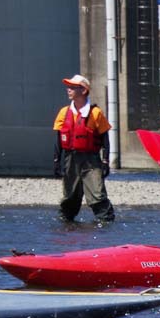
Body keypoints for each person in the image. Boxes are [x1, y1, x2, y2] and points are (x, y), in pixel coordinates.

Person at [53, 74, 115, 222]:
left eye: (72, 87)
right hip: (70, 158)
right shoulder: (63, 112)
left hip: (91, 160)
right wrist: (56, 161)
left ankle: (106, 224)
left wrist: (105, 161)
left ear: (83, 91)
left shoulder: (95, 113)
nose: (68, 90)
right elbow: (58, 140)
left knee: (97, 195)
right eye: (68, 87)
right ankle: (66, 224)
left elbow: (105, 140)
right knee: (70, 196)